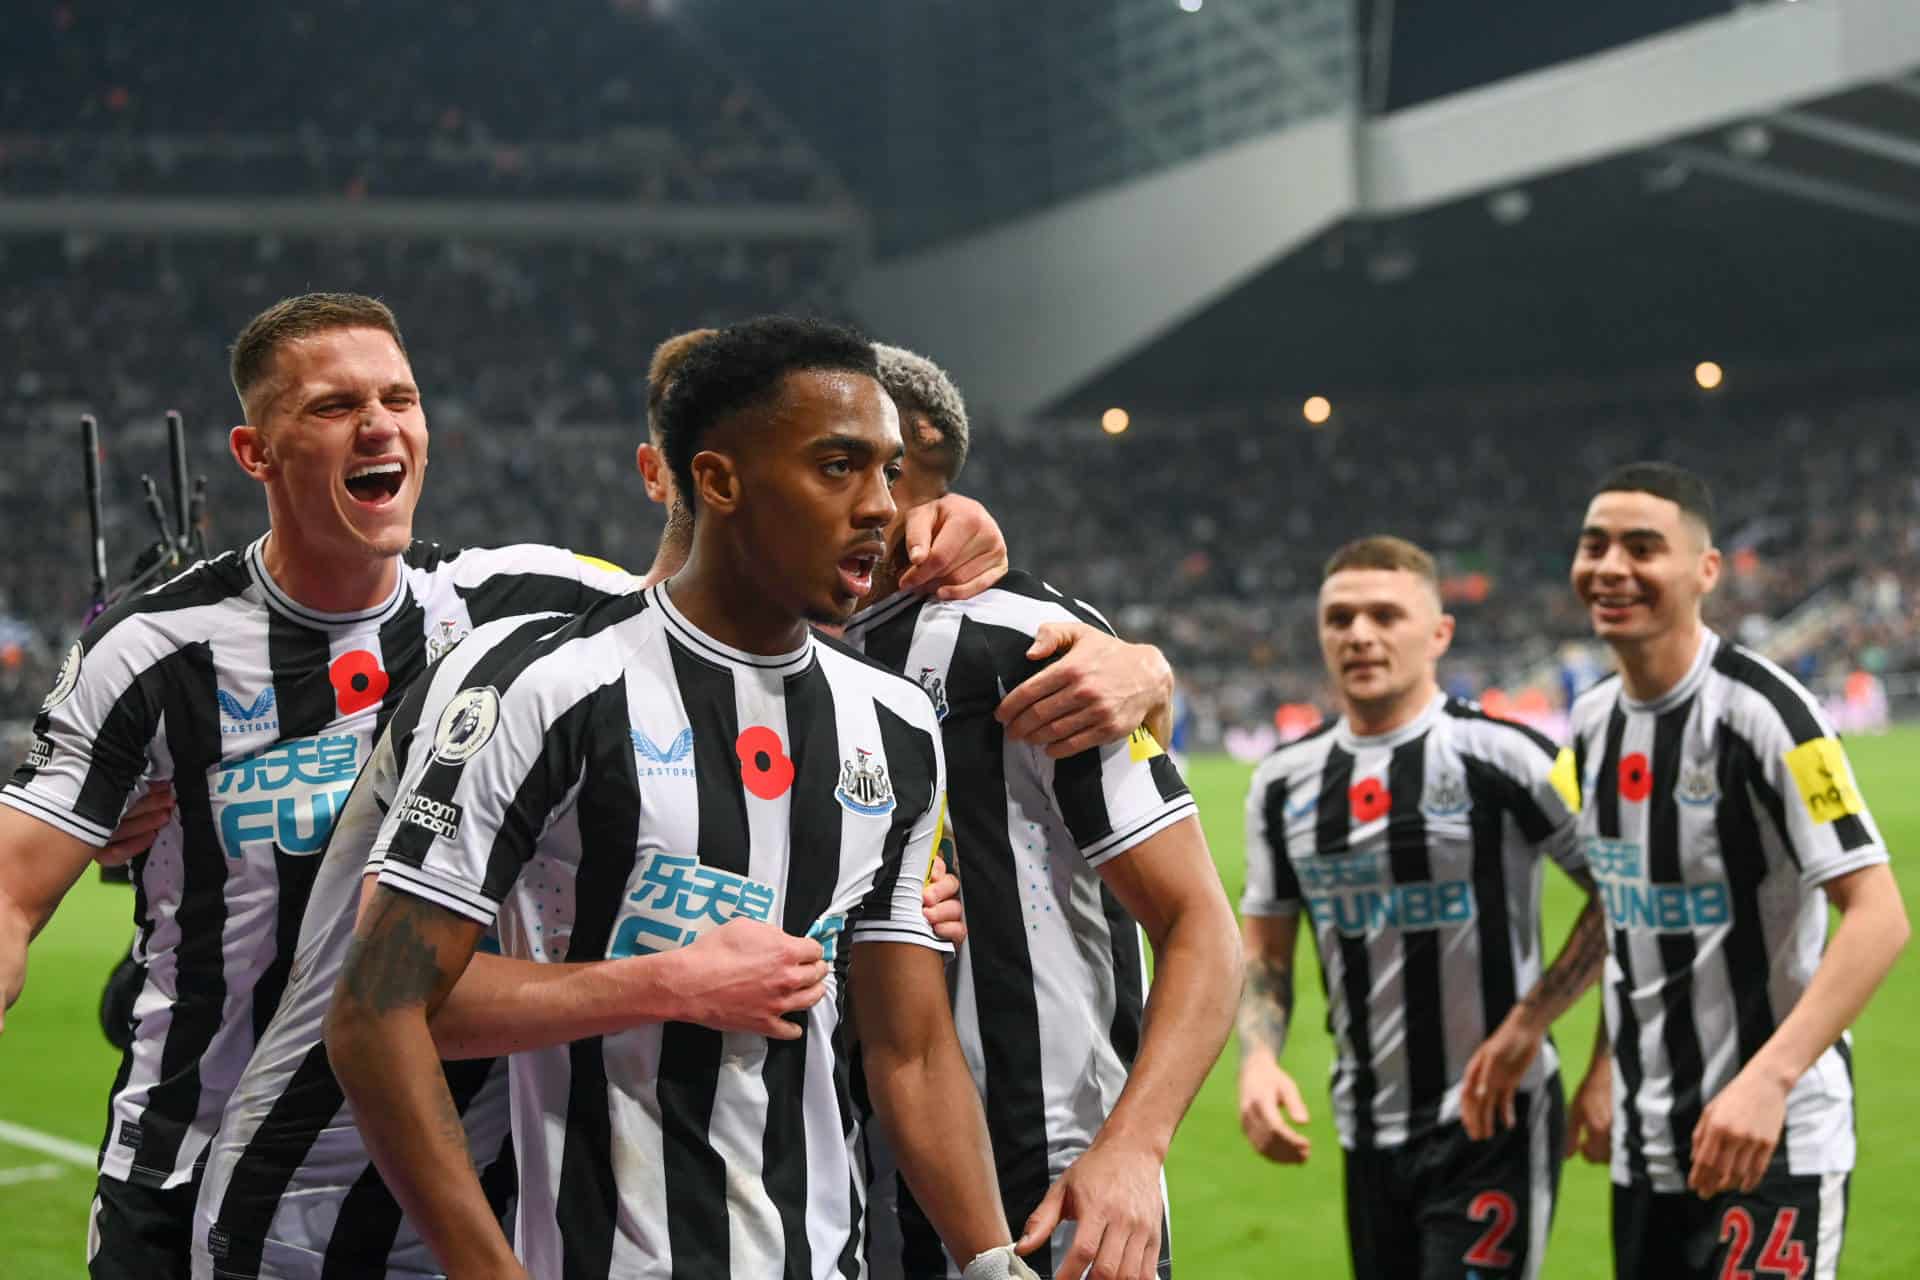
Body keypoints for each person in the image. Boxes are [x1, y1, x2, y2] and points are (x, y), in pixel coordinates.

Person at [0, 292, 1005, 1280]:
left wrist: (971, 549)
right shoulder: (155, 648)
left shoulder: (516, 598)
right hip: (218, 1156)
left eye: (399, 396)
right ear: (256, 452)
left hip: (486, 1175)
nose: (379, 424)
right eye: (334, 405)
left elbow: (706, 607)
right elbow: (12, 891)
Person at [324, 316, 1042, 1280]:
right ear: (719, 480)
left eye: (888, 471)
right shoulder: (551, 684)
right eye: (838, 468)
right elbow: (377, 1012)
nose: (880, 507)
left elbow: (909, 1054)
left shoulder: (896, 724)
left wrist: (993, 1263)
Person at [843, 346, 1241, 1280]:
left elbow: (1199, 923)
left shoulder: (1025, 646)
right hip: (838, 1195)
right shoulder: (782, 655)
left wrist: (1134, 1150)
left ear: (905, 452)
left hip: (1049, 1190)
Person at [1561, 463, 1909, 1279]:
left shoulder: (1768, 715)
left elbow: (1880, 913)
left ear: (1704, 571)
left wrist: (1770, 1080)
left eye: (1643, 548)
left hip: (1771, 1137)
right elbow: (1625, 912)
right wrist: (1604, 1064)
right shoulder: (1588, 726)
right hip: (1647, 1149)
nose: (1612, 567)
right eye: (1595, 545)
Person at [1236, 535, 1607, 1280]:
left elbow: (1622, 888)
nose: (1360, 634)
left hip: (1492, 1120)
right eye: (1340, 618)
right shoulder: (1281, 784)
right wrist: (1259, 1061)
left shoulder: (1507, 757)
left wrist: (1541, 1027)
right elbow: (1267, 951)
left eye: (1384, 614)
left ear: (1438, 632)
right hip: (1365, 1124)